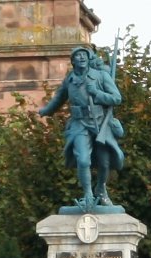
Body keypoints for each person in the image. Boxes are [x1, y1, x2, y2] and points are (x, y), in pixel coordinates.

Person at [39, 46, 124, 212]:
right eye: (77, 56)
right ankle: (88, 196)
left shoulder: (100, 75)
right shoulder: (70, 80)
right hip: (79, 123)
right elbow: (59, 99)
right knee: (83, 160)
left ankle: (101, 189)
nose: (81, 58)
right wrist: (46, 111)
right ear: (73, 61)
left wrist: (97, 93)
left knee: (105, 162)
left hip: (100, 122)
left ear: (88, 57)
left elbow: (116, 98)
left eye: (83, 55)